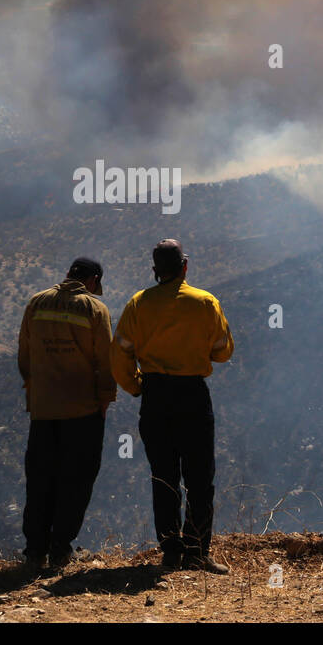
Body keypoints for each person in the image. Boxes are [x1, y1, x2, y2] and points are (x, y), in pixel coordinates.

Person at [111, 239, 234, 574]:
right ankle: (197, 552)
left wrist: (137, 387)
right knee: (199, 477)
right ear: (185, 266)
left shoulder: (138, 304)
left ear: (155, 272)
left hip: (155, 398)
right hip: (192, 396)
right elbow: (223, 351)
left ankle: (170, 552)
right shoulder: (205, 302)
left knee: (163, 476)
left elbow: (120, 353)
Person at [16, 257, 116, 573]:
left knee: (40, 479)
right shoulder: (95, 310)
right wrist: (105, 398)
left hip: (43, 411)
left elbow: (25, 355)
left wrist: (35, 391)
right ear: (93, 279)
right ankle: (60, 550)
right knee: (75, 481)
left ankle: (35, 551)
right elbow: (106, 361)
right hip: (82, 410)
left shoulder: (36, 302)